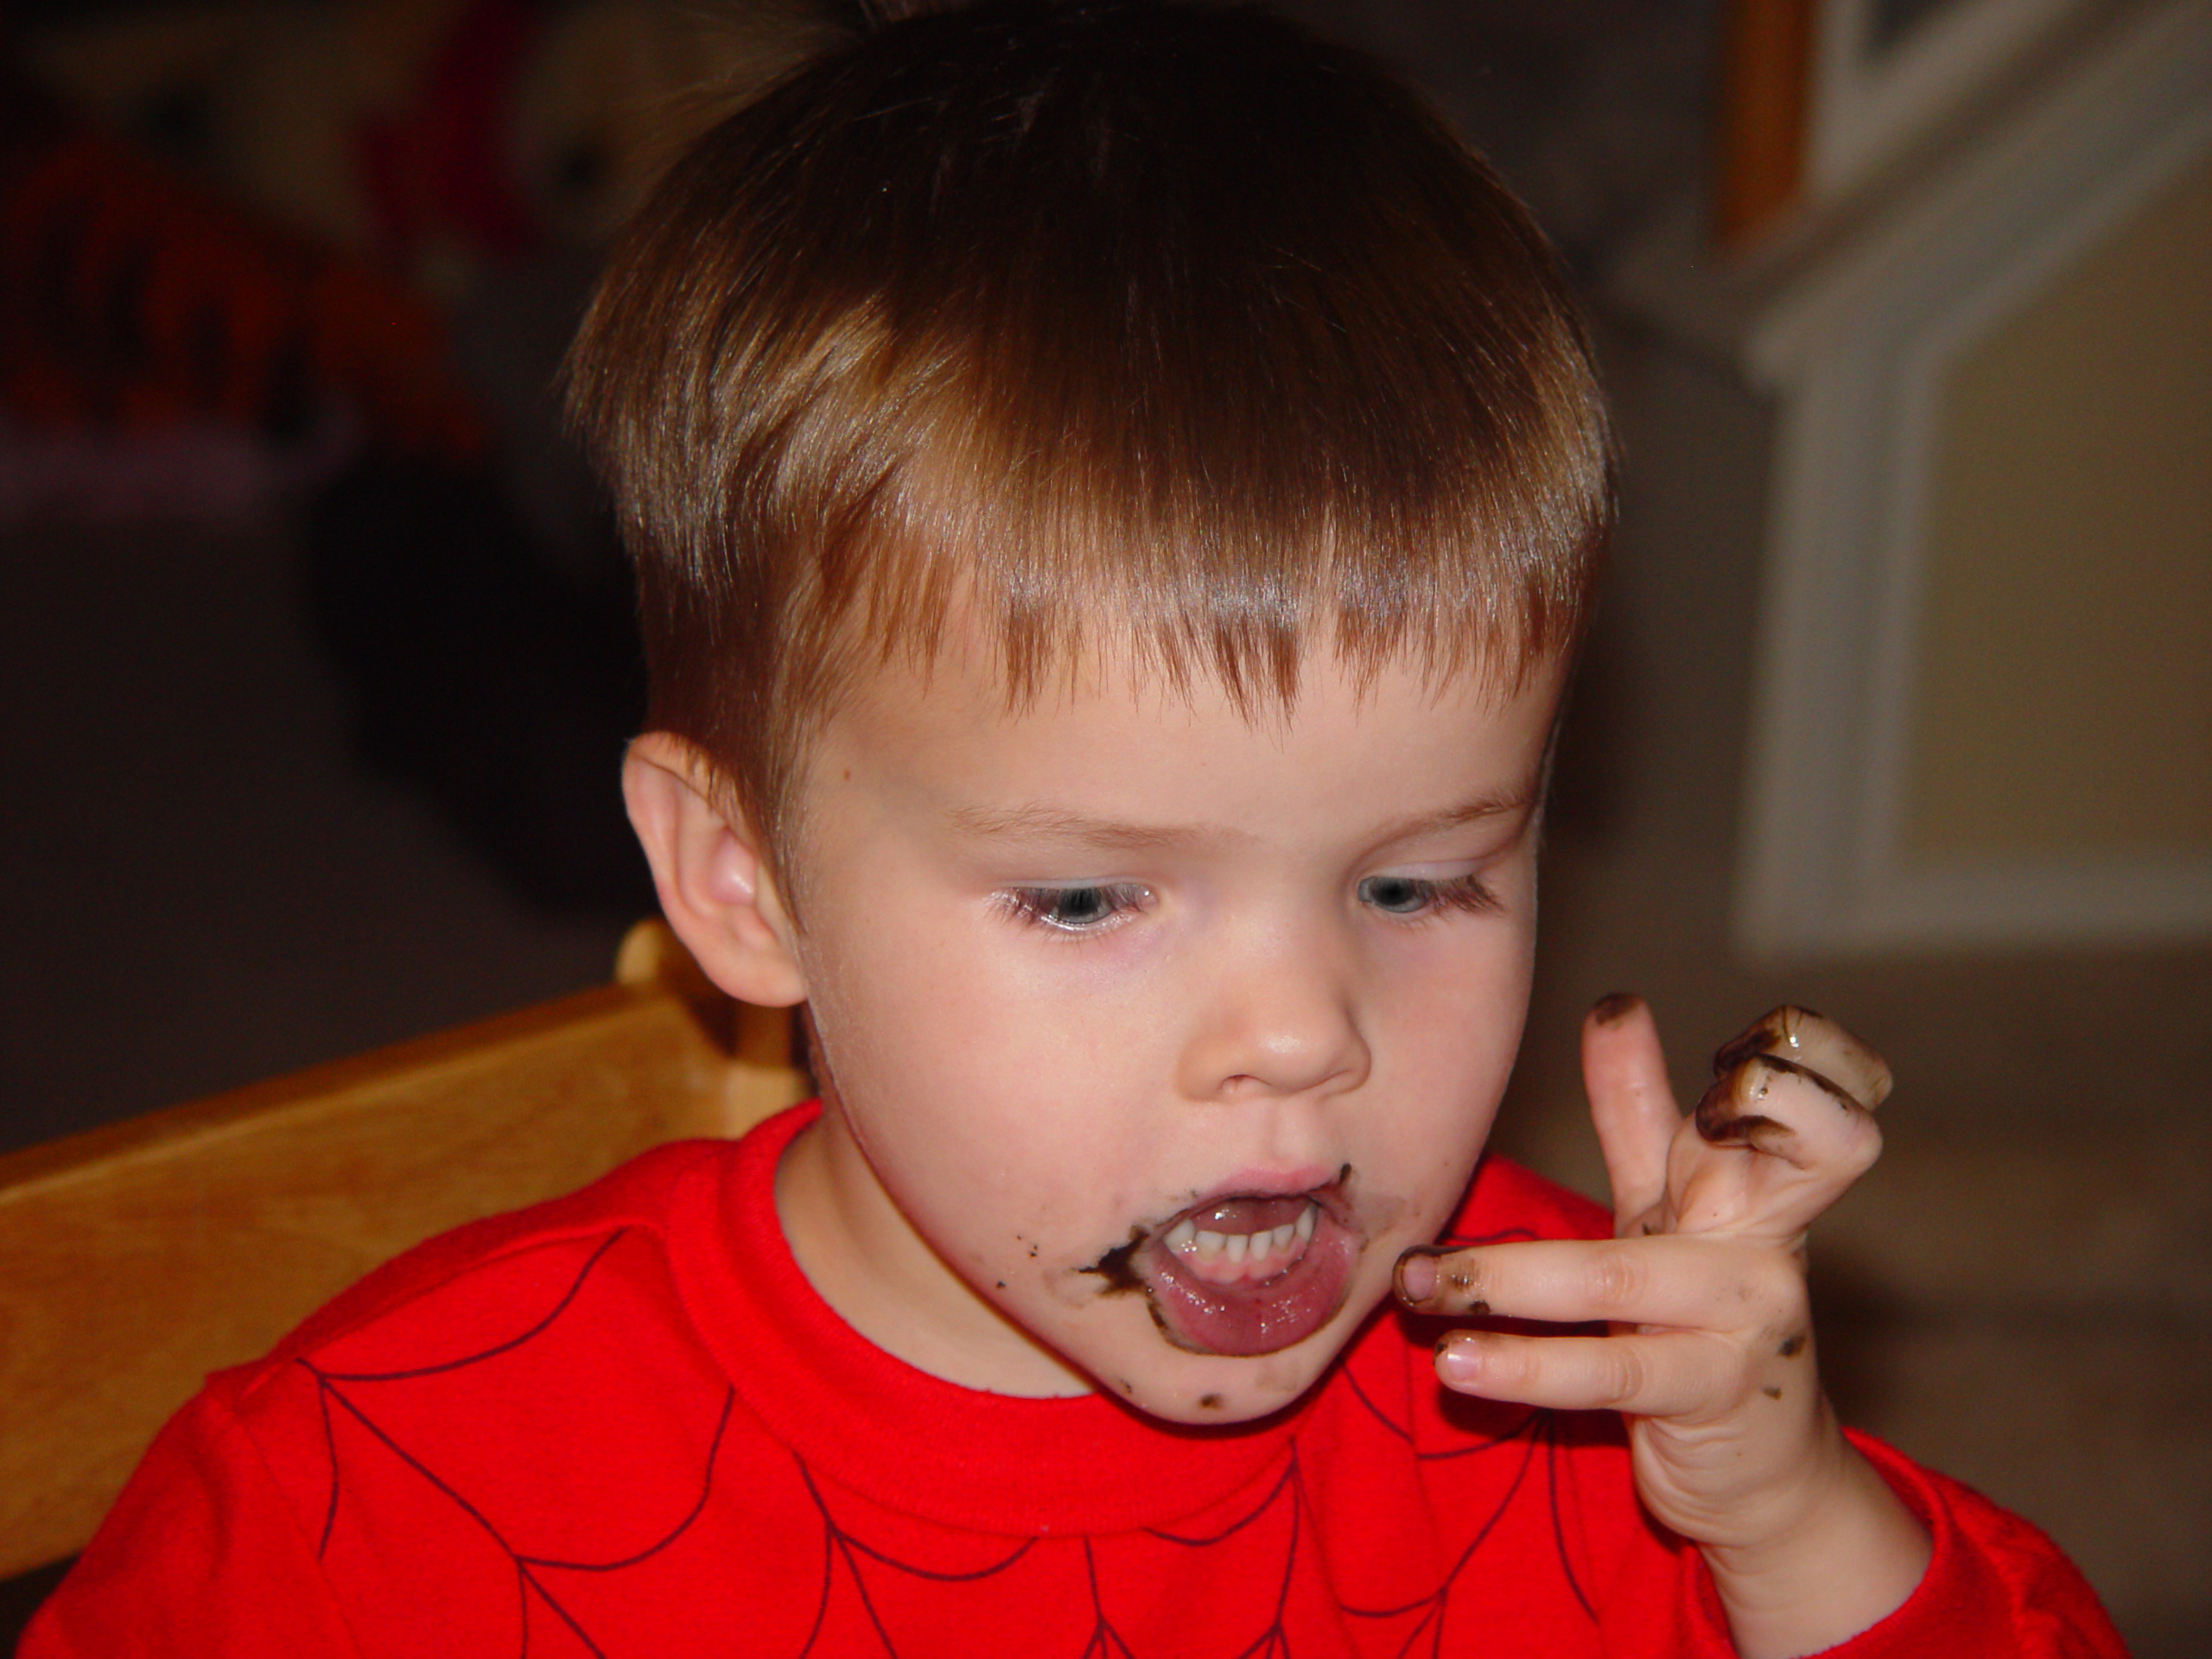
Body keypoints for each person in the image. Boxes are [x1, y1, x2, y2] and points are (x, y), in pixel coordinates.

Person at [23, 3, 2124, 1655]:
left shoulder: (1587, 1383)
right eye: (1092, 892)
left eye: (1417, 879)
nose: (1302, 1033)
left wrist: (1779, 1512)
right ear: (742, 883)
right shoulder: (377, 1512)